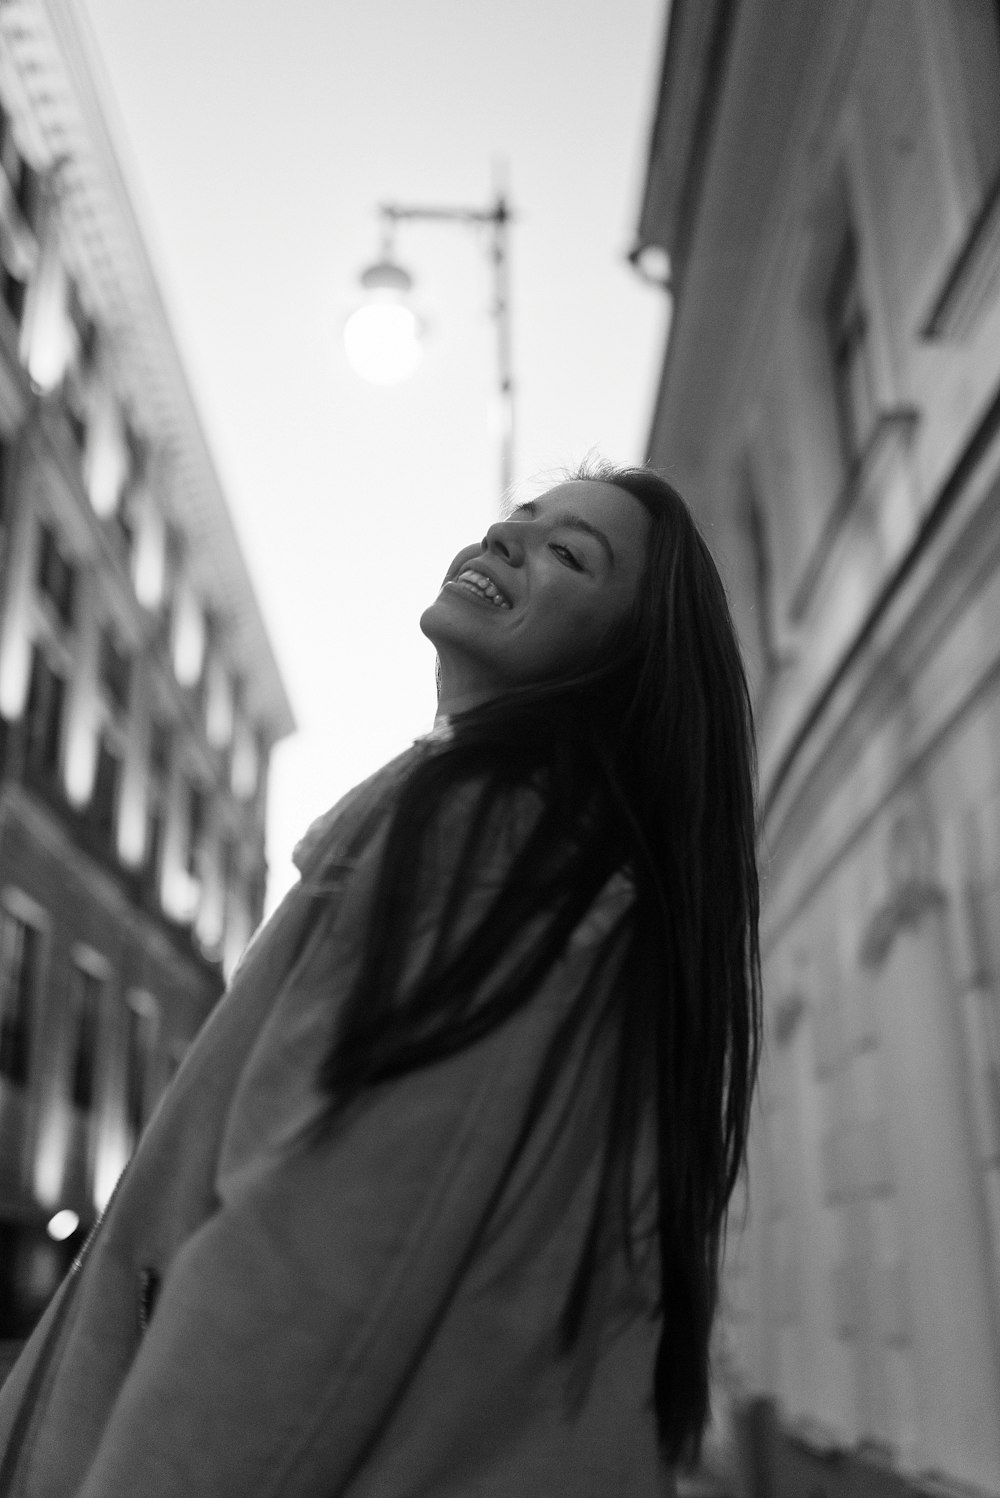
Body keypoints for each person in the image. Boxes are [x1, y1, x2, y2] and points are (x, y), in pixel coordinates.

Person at [0, 459, 761, 1496]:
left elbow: (310, 1278)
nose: (507, 536)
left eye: (568, 553)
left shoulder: (491, 839)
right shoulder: (575, 884)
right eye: (520, 517)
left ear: (621, 668)